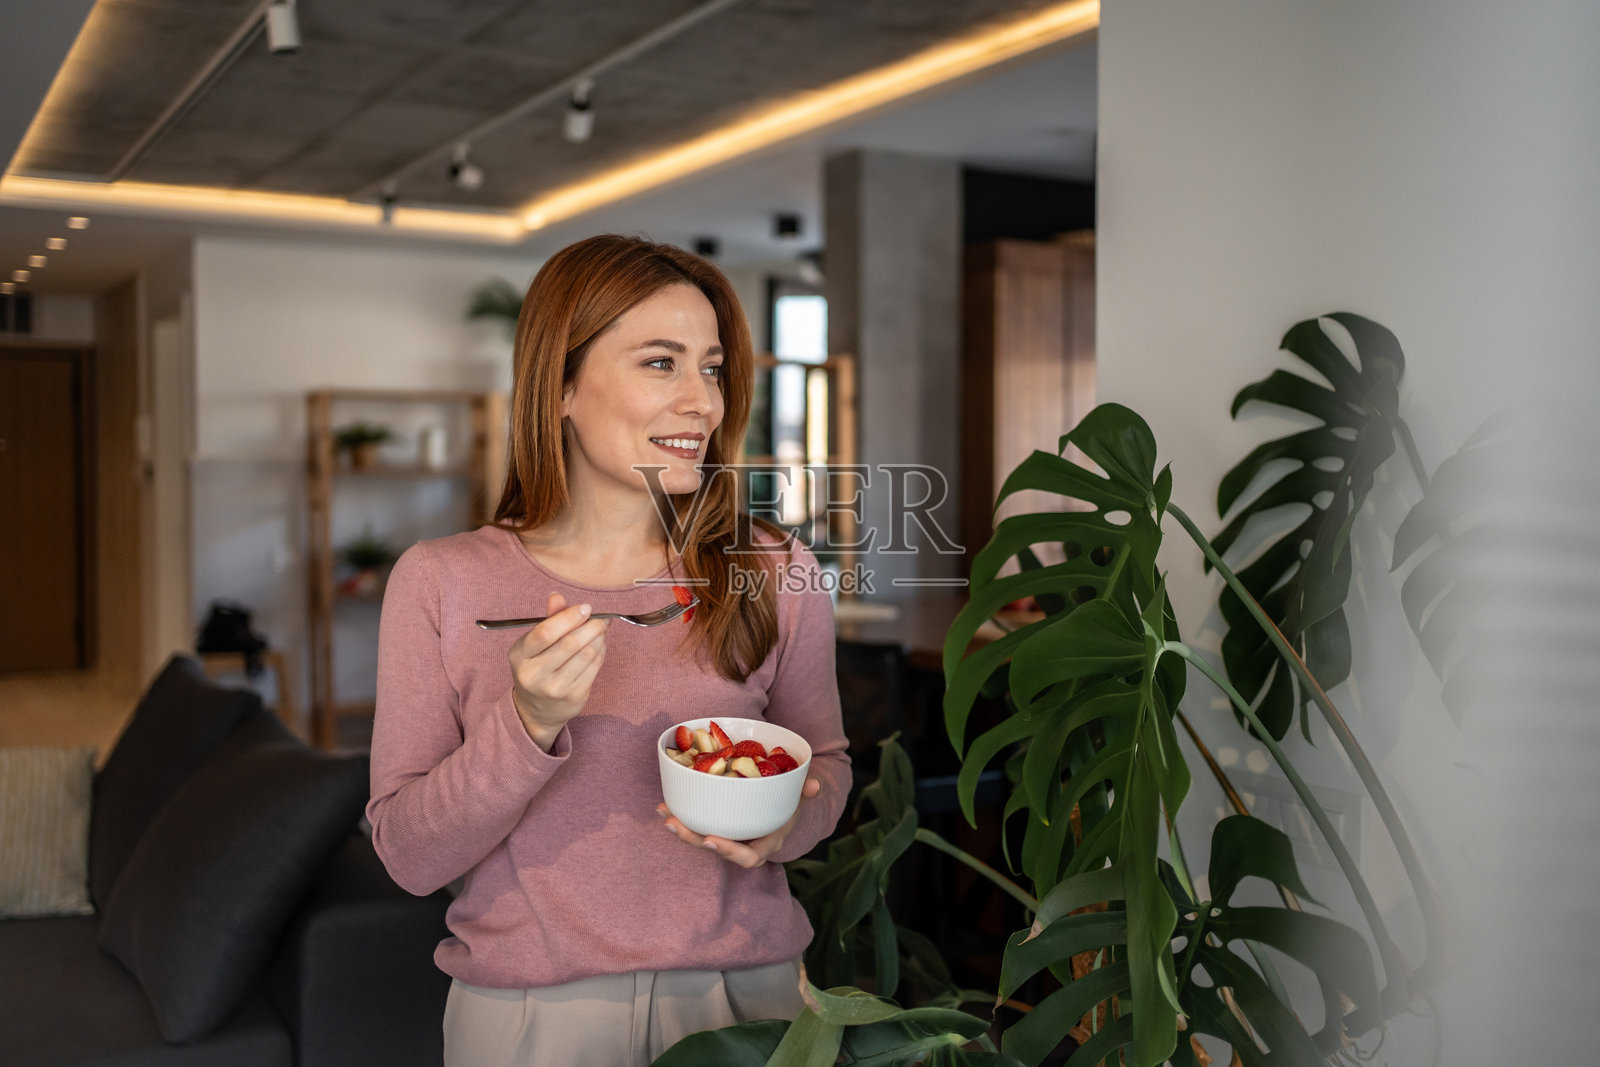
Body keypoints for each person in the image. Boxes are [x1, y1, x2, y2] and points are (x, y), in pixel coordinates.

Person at [366, 234, 851, 1066]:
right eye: (660, 363)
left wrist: (781, 830)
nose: (702, 401)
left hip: (751, 1002)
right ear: (559, 385)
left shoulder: (774, 569)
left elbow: (829, 770)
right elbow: (408, 857)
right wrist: (525, 725)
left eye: (712, 367)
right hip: (529, 1021)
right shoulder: (441, 582)